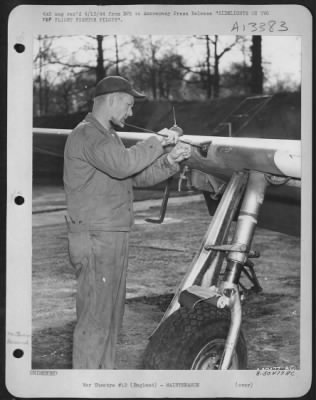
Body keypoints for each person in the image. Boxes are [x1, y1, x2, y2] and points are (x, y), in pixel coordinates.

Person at [63, 75, 191, 369]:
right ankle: (86, 386)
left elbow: (135, 176)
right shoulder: (87, 135)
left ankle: (102, 381)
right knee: (96, 320)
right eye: (129, 104)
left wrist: (170, 162)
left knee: (109, 318)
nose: (131, 113)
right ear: (111, 99)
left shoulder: (108, 137)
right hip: (96, 237)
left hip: (110, 235)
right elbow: (124, 166)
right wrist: (159, 141)